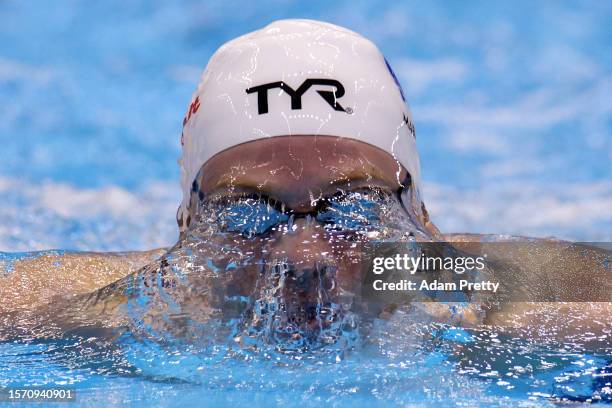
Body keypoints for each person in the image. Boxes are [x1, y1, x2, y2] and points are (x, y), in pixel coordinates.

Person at [1, 20, 609, 346]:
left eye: (354, 208)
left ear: (420, 216)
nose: (303, 256)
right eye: (245, 214)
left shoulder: (521, 310)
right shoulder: (93, 314)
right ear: (185, 227)